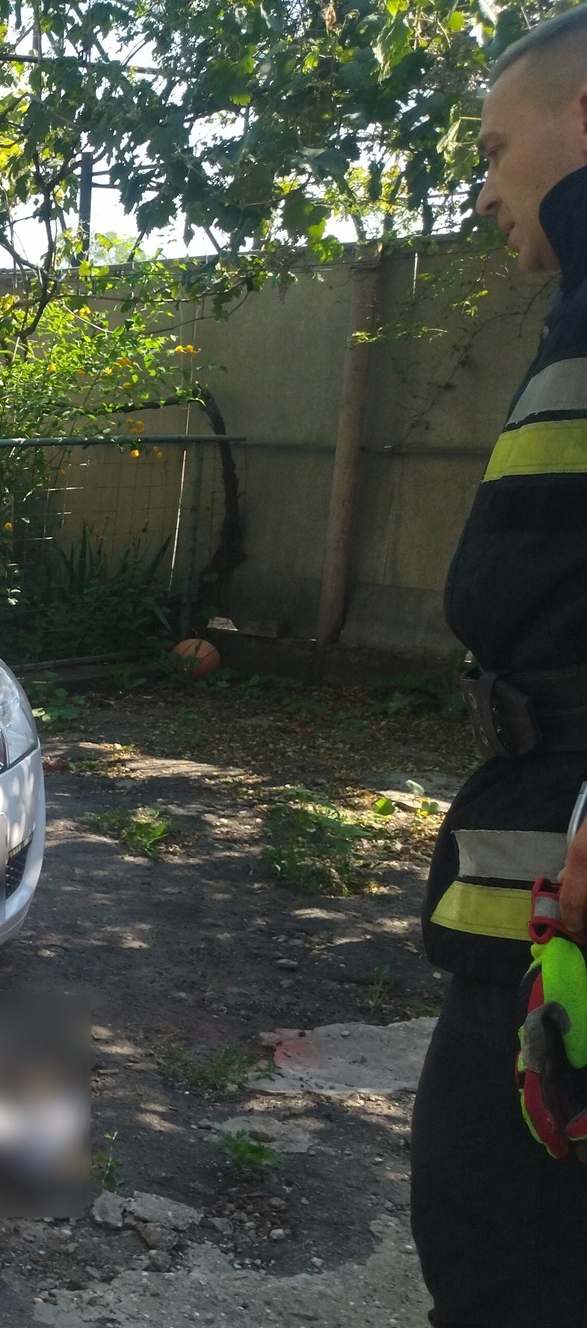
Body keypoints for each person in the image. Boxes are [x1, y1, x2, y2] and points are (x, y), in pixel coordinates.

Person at [410, 9, 587, 1325]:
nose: (483, 185)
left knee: (511, 1258)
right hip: (530, 861)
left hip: (566, 884)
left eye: (493, 144)